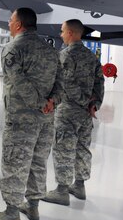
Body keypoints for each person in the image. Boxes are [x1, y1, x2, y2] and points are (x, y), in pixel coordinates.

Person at [0, 8, 62, 220]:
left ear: (18, 25)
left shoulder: (12, 49)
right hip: (46, 119)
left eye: (10, 20)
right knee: (38, 161)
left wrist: (39, 103)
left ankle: (10, 213)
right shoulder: (51, 51)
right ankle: (33, 207)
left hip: (21, 120)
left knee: (15, 162)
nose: (8, 24)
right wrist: (51, 102)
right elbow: (60, 83)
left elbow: (19, 82)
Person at [43, 19, 104, 206]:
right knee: (82, 147)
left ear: (70, 33)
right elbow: (99, 83)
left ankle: (62, 190)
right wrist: (94, 104)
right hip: (86, 113)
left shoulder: (65, 55)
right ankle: (79, 185)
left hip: (68, 110)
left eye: (62, 31)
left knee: (63, 148)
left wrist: (82, 101)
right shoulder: (91, 56)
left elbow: (66, 82)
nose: (61, 34)